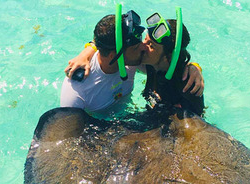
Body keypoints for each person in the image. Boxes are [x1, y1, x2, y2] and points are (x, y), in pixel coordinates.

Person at [61, 9, 204, 115]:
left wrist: (193, 66)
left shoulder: (134, 62)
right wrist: (88, 52)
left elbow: (171, 62)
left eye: (150, 45)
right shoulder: (76, 91)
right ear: (114, 56)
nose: (143, 46)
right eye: (138, 45)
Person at [141, 10, 205, 116]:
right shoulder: (152, 63)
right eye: (145, 39)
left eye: (151, 46)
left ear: (168, 57)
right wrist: (195, 66)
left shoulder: (186, 85)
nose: (143, 46)